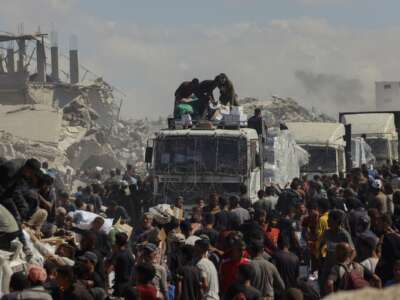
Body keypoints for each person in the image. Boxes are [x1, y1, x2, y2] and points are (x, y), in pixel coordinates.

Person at [107, 232, 135, 297]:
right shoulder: (130, 254)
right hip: (129, 284)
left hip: (119, 286)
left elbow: (109, 269)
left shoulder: (118, 255)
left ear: (116, 242)